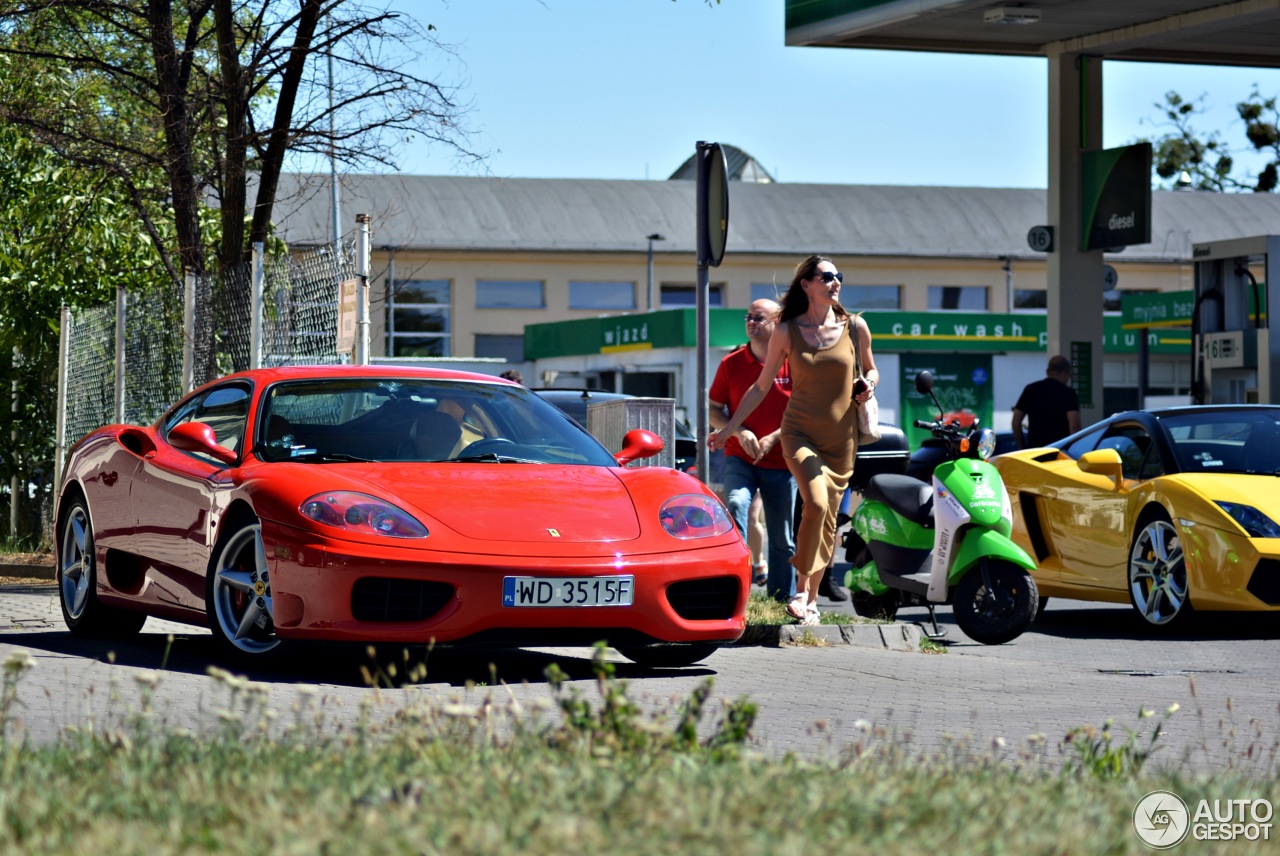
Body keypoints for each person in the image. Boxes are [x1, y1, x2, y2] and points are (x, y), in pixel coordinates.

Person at [709, 256, 878, 626]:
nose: (836, 282)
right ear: (807, 284)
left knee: (828, 518)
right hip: (799, 433)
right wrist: (729, 428)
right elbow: (759, 386)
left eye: (839, 276)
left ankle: (811, 600)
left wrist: (869, 385)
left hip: (841, 438)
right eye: (827, 276)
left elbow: (871, 367)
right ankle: (801, 590)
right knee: (815, 504)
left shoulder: (856, 327)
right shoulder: (787, 331)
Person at [709, 298, 796, 602]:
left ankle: (782, 599)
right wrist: (741, 430)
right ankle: (737, 594)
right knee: (735, 503)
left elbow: (804, 410)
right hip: (739, 457)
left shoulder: (793, 361)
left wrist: (774, 437)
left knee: (782, 536)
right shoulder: (731, 363)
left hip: (783, 461)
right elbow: (713, 410)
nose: (751, 322)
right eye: (748, 317)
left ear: (777, 322)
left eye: (759, 318)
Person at [1011, 355, 1081, 449]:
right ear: (1065, 373)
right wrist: (1076, 450)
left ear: (1048, 372)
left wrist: (1022, 446)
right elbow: (1074, 425)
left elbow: (1016, 422)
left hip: (1034, 451)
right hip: (1060, 453)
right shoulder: (1068, 393)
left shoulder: (1030, 390)